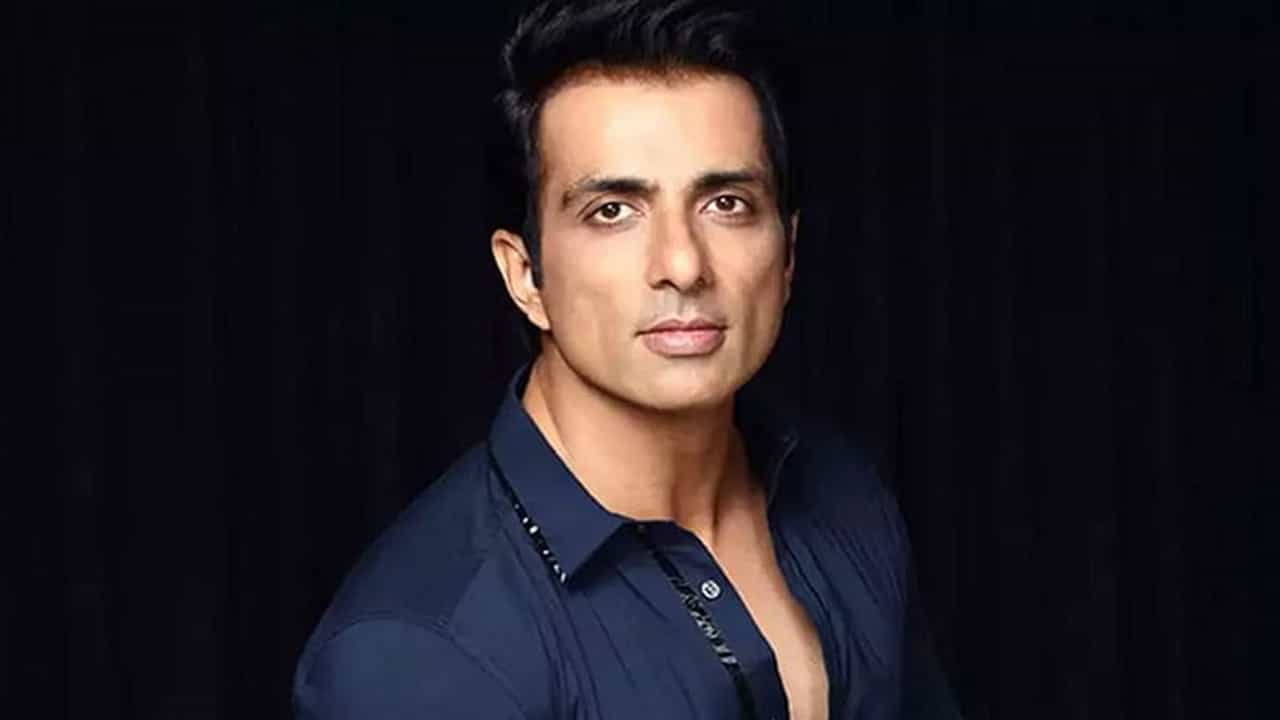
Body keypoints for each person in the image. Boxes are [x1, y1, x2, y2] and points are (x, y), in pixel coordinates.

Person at [293, 1, 961, 718]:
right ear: (526, 276)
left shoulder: (845, 496)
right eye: (613, 210)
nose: (683, 264)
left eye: (726, 203)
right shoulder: (420, 652)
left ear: (788, 251)